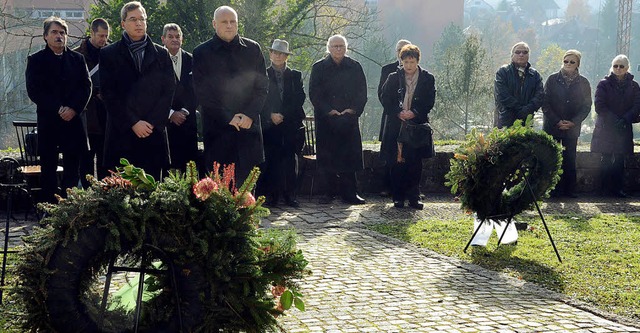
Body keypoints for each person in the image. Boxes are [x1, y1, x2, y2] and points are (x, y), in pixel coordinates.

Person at [192, 5, 268, 184]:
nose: (229, 25)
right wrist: (228, 117)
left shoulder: (253, 49)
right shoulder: (201, 53)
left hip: (248, 131)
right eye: (224, 22)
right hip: (218, 131)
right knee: (220, 192)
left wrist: (249, 115)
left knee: (248, 192)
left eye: (233, 21)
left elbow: (262, 87)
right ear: (214, 24)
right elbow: (202, 93)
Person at [100, 1, 176, 180]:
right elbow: (109, 94)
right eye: (133, 19)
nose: (139, 23)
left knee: (152, 193)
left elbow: (168, 91)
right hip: (122, 134)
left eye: (142, 19)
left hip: (153, 133)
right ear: (123, 24)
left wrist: (150, 123)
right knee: (122, 196)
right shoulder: (108, 54)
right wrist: (133, 122)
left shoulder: (162, 54)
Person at [25, 16, 91, 203]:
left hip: (73, 122)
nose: (59, 36)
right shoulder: (35, 60)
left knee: (72, 168)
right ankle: (50, 211)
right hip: (49, 122)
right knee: (48, 169)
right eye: (54, 32)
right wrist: (58, 108)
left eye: (62, 33)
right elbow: (34, 90)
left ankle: (69, 208)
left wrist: (74, 109)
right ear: (45, 36)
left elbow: (86, 87)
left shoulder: (78, 59)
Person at [309, 34, 367, 205]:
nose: (338, 49)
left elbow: (361, 92)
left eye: (341, 46)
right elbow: (314, 93)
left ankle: (350, 193)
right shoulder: (318, 67)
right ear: (328, 48)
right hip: (327, 119)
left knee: (349, 158)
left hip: (348, 119)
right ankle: (328, 193)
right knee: (327, 157)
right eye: (335, 46)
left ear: (346, 48)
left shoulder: (355, 66)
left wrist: (353, 110)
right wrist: (329, 110)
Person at [380, 44, 436, 210]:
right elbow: (385, 98)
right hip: (396, 126)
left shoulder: (427, 78)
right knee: (397, 163)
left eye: (412, 62)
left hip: (416, 126)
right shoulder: (393, 77)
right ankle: (397, 197)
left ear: (417, 61)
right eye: (406, 62)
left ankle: (414, 197)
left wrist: (414, 113)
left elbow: (429, 100)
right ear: (401, 61)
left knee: (415, 164)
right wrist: (398, 112)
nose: (409, 66)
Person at [257, 39, 306, 208]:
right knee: (270, 160)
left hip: (290, 123)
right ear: (270, 54)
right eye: (275, 52)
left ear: (286, 56)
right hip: (270, 125)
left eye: (282, 53)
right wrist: (271, 114)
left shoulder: (295, 75)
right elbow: (259, 97)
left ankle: (290, 195)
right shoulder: (262, 74)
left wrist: (283, 114)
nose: (278, 56)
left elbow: (299, 98)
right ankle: (272, 195)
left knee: (290, 161)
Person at [542, 49, 592, 198]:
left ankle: (569, 190)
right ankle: (552, 189)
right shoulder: (552, 79)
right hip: (552, 126)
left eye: (572, 62)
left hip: (572, 128)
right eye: (566, 61)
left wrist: (573, 122)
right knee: (552, 158)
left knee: (570, 159)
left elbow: (586, 106)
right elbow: (545, 102)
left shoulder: (584, 82)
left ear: (578, 64)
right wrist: (557, 121)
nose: (568, 64)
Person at [591, 54, 640, 198]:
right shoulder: (603, 84)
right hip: (606, 127)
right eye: (615, 66)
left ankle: (617, 189)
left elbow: (637, 105)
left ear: (627, 68)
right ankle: (602, 189)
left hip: (623, 127)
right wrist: (614, 119)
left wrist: (624, 119)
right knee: (605, 158)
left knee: (620, 159)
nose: (618, 69)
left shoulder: (634, 86)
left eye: (621, 66)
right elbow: (600, 105)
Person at [74, 18, 110, 186]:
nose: (104, 40)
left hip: (107, 114)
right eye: (101, 36)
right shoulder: (77, 55)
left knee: (106, 161)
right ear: (92, 33)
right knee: (86, 161)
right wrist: (94, 91)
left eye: (106, 36)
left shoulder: (111, 52)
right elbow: (74, 85)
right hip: (87, 116)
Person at [161, 23, 198, 172]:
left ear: (182, 39)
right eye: (170, 37)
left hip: (188, 122)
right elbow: (152, 92)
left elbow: (198, 89)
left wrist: (184, 111)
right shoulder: (156, 60)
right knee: (168, 169)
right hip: (164, 123)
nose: (174, 40)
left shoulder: (193, 60)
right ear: (163, 39)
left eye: (177, 37)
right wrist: (170, 113)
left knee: (189, 168)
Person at [377, 39, 411, 197]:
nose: (401, 52)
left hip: (411, 119)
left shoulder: (417, 71)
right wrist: (397, 111)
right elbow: (382, 94)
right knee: (389, 154)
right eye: (399, 49)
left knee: (410, 155)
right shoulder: (387, 70)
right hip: (391, 117)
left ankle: (410, 188)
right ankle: (386, 186)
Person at [494, 41, 544, 128]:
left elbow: (539, 95)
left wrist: (527, 109)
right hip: (506, 119)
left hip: (527, 121)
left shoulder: (535, 75)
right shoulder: (503, 72)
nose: (521, 54)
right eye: (518, 52)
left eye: (525, 52)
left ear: (528, 55)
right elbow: (501, 95)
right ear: (512, 55)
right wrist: (519, 108)